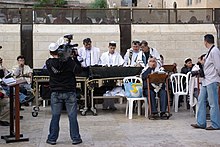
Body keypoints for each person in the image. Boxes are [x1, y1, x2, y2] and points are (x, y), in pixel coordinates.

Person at [46, 42, 82, 145]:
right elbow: (79, 70)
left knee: (55, 116)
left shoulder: (49, 62)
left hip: (55, 92)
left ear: (50, 52)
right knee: (72, 116)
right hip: (69, 91)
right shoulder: (69, 62)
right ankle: (75, 138)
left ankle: (52, 138)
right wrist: (74, 58)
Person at [191, 34, 220, 130]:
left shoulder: (215, 51)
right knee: (201, 100)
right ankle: (201, 122)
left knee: (213, 103)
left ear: (205, 41)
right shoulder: (209, 52)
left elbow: (218, 66)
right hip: (206, 80)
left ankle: (216, 124)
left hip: (212, 79)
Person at [99, 41, 124, 110]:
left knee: (112, 89)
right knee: (106, 89)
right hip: (105, 74)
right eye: (111, 48)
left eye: (113, 48)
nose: (112, 49)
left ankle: (111, 105)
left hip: (114, 74)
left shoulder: (117, 55)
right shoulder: (104, 55)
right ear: (108, 47)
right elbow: (101, 63)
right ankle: (105, 105)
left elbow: (121, 63)